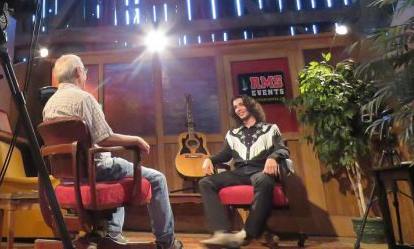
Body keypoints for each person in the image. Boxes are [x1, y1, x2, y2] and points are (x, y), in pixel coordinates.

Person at [42, 55, 183, 249]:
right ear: (77, 72)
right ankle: (167, 242)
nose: (85, 74)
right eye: (84, 70)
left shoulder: (49, 105)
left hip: (68, 176)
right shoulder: (84, 99)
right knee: (157, 179)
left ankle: (112, 233)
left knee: (115, 167)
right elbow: (104, 138)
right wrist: (136, 140)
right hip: (97, 170)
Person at [198, 95, 290, 248]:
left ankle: (246, 233)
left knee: (264, 180)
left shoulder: (270, 129)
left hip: (259, 171)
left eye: (241, 105)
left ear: (251, 106)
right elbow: (225, 154)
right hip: (239, 172)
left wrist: (273, 157)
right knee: (206, 182)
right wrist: (210, 159)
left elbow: (282, 149)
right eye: (235, 107)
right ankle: (221, 232)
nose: (238, 109)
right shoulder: (233, 134)